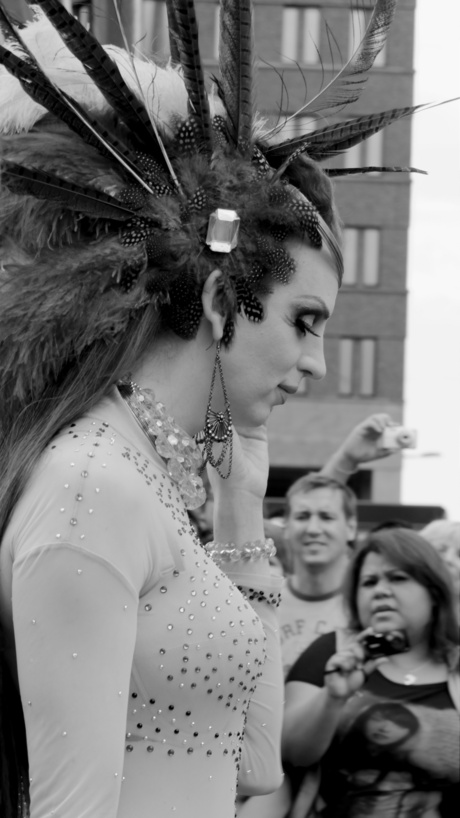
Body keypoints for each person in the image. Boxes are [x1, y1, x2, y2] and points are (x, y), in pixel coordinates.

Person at [0, 2, 431, 817]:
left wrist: (242, 502)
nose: (319, 362)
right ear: (218, 298)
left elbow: (257, 765)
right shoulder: (93, 489)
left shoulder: (151, 486)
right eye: (305, 322)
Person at [283, 528, 460, 818]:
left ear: (434, 592)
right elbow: (292, 754)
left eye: (398, 578)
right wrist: (332, 698)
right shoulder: (332, 651)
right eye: (369, 582)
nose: (380, 590)